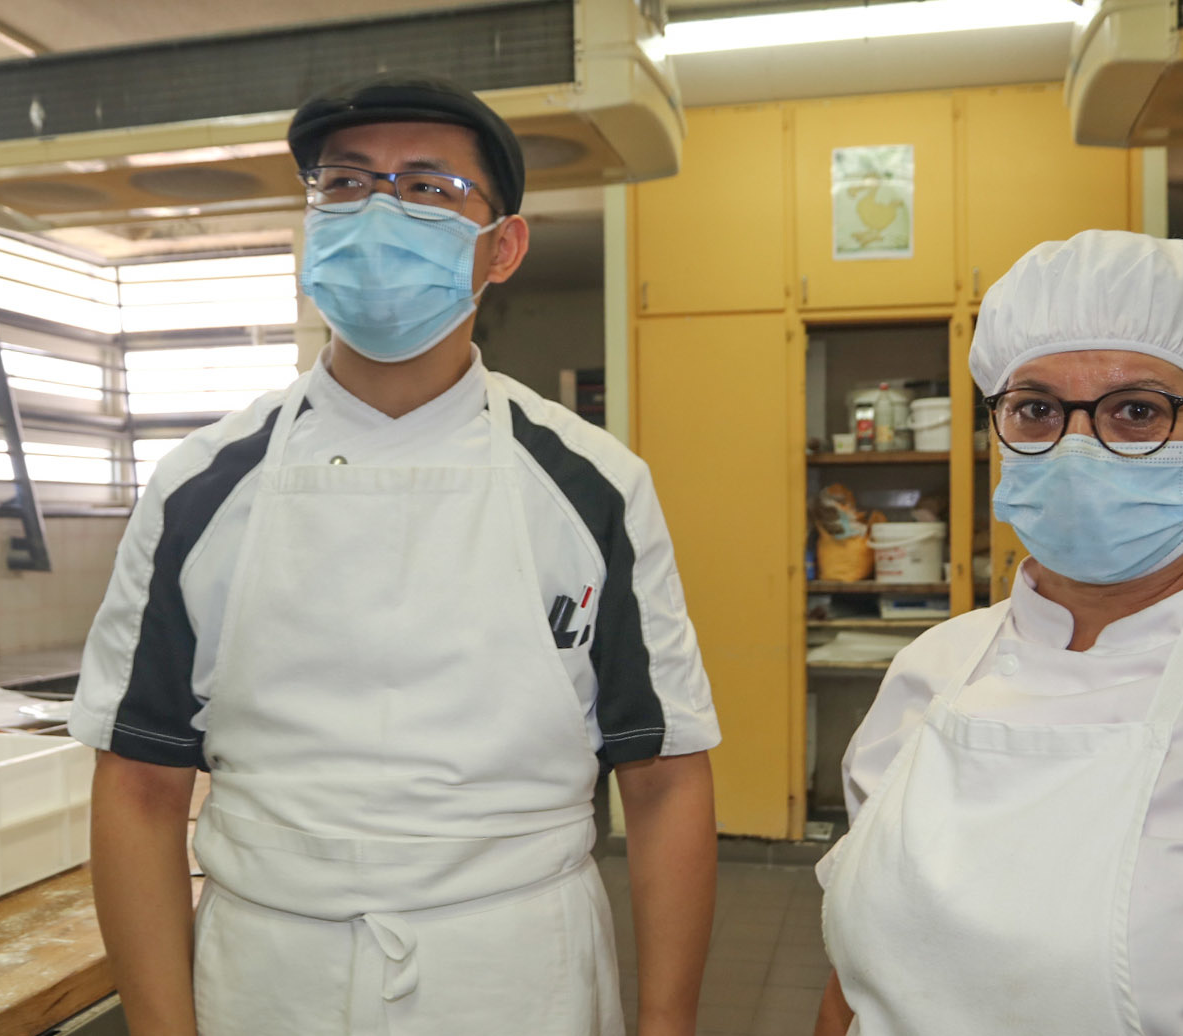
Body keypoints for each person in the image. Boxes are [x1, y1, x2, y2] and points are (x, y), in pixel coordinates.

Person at [70, 75, 721, 1036]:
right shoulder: (200, 484)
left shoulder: (594, 484)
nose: (378, 211)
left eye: (427, 188)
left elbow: (663, 777)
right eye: (345, 184)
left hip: (516, 968)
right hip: (267, 971)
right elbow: (138, 784)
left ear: (502, 247)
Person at [814, 230, 1183, 1035]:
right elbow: (856, 981)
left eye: (1137, 411)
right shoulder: (934, 668)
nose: (1076, 446)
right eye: (1035, 409)